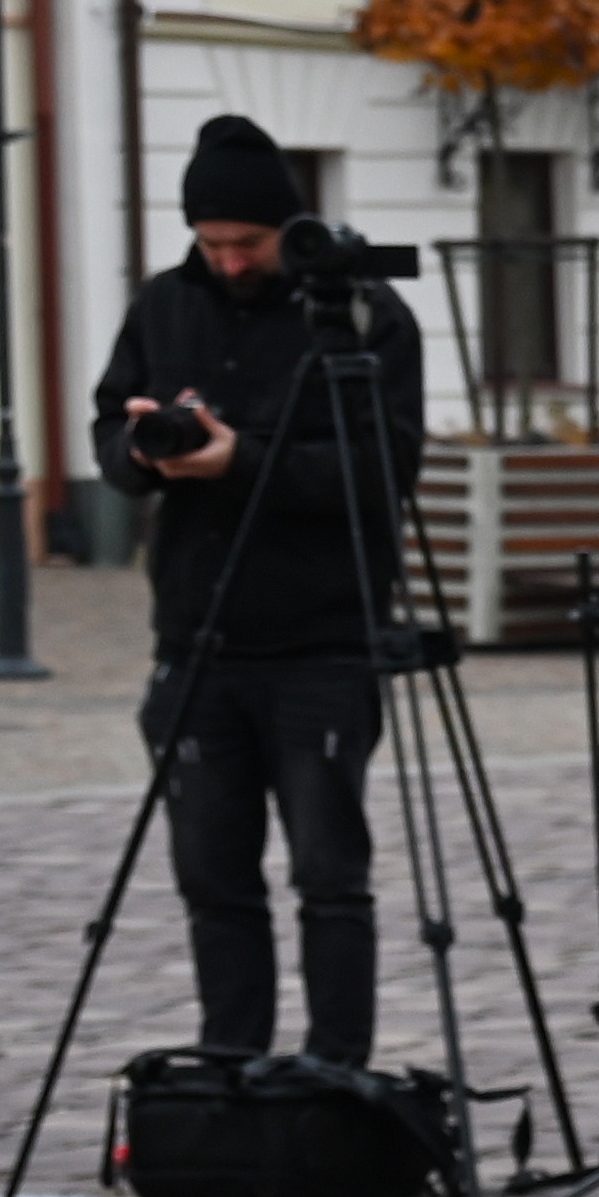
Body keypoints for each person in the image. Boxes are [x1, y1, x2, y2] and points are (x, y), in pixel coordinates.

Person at [89, 116, 427, 1065]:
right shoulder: (165, 306)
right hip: (197, 643)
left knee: (330, 880)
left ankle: (334, 1076)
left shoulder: (364, 315)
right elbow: (111, 432)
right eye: (212, 244)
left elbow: (383, 472)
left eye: (249, 242)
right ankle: (231, 1071)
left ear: (289, 226)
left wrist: (242, 460)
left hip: (323, 645)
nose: (232, 261)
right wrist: (140, 450)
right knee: (212, 881)